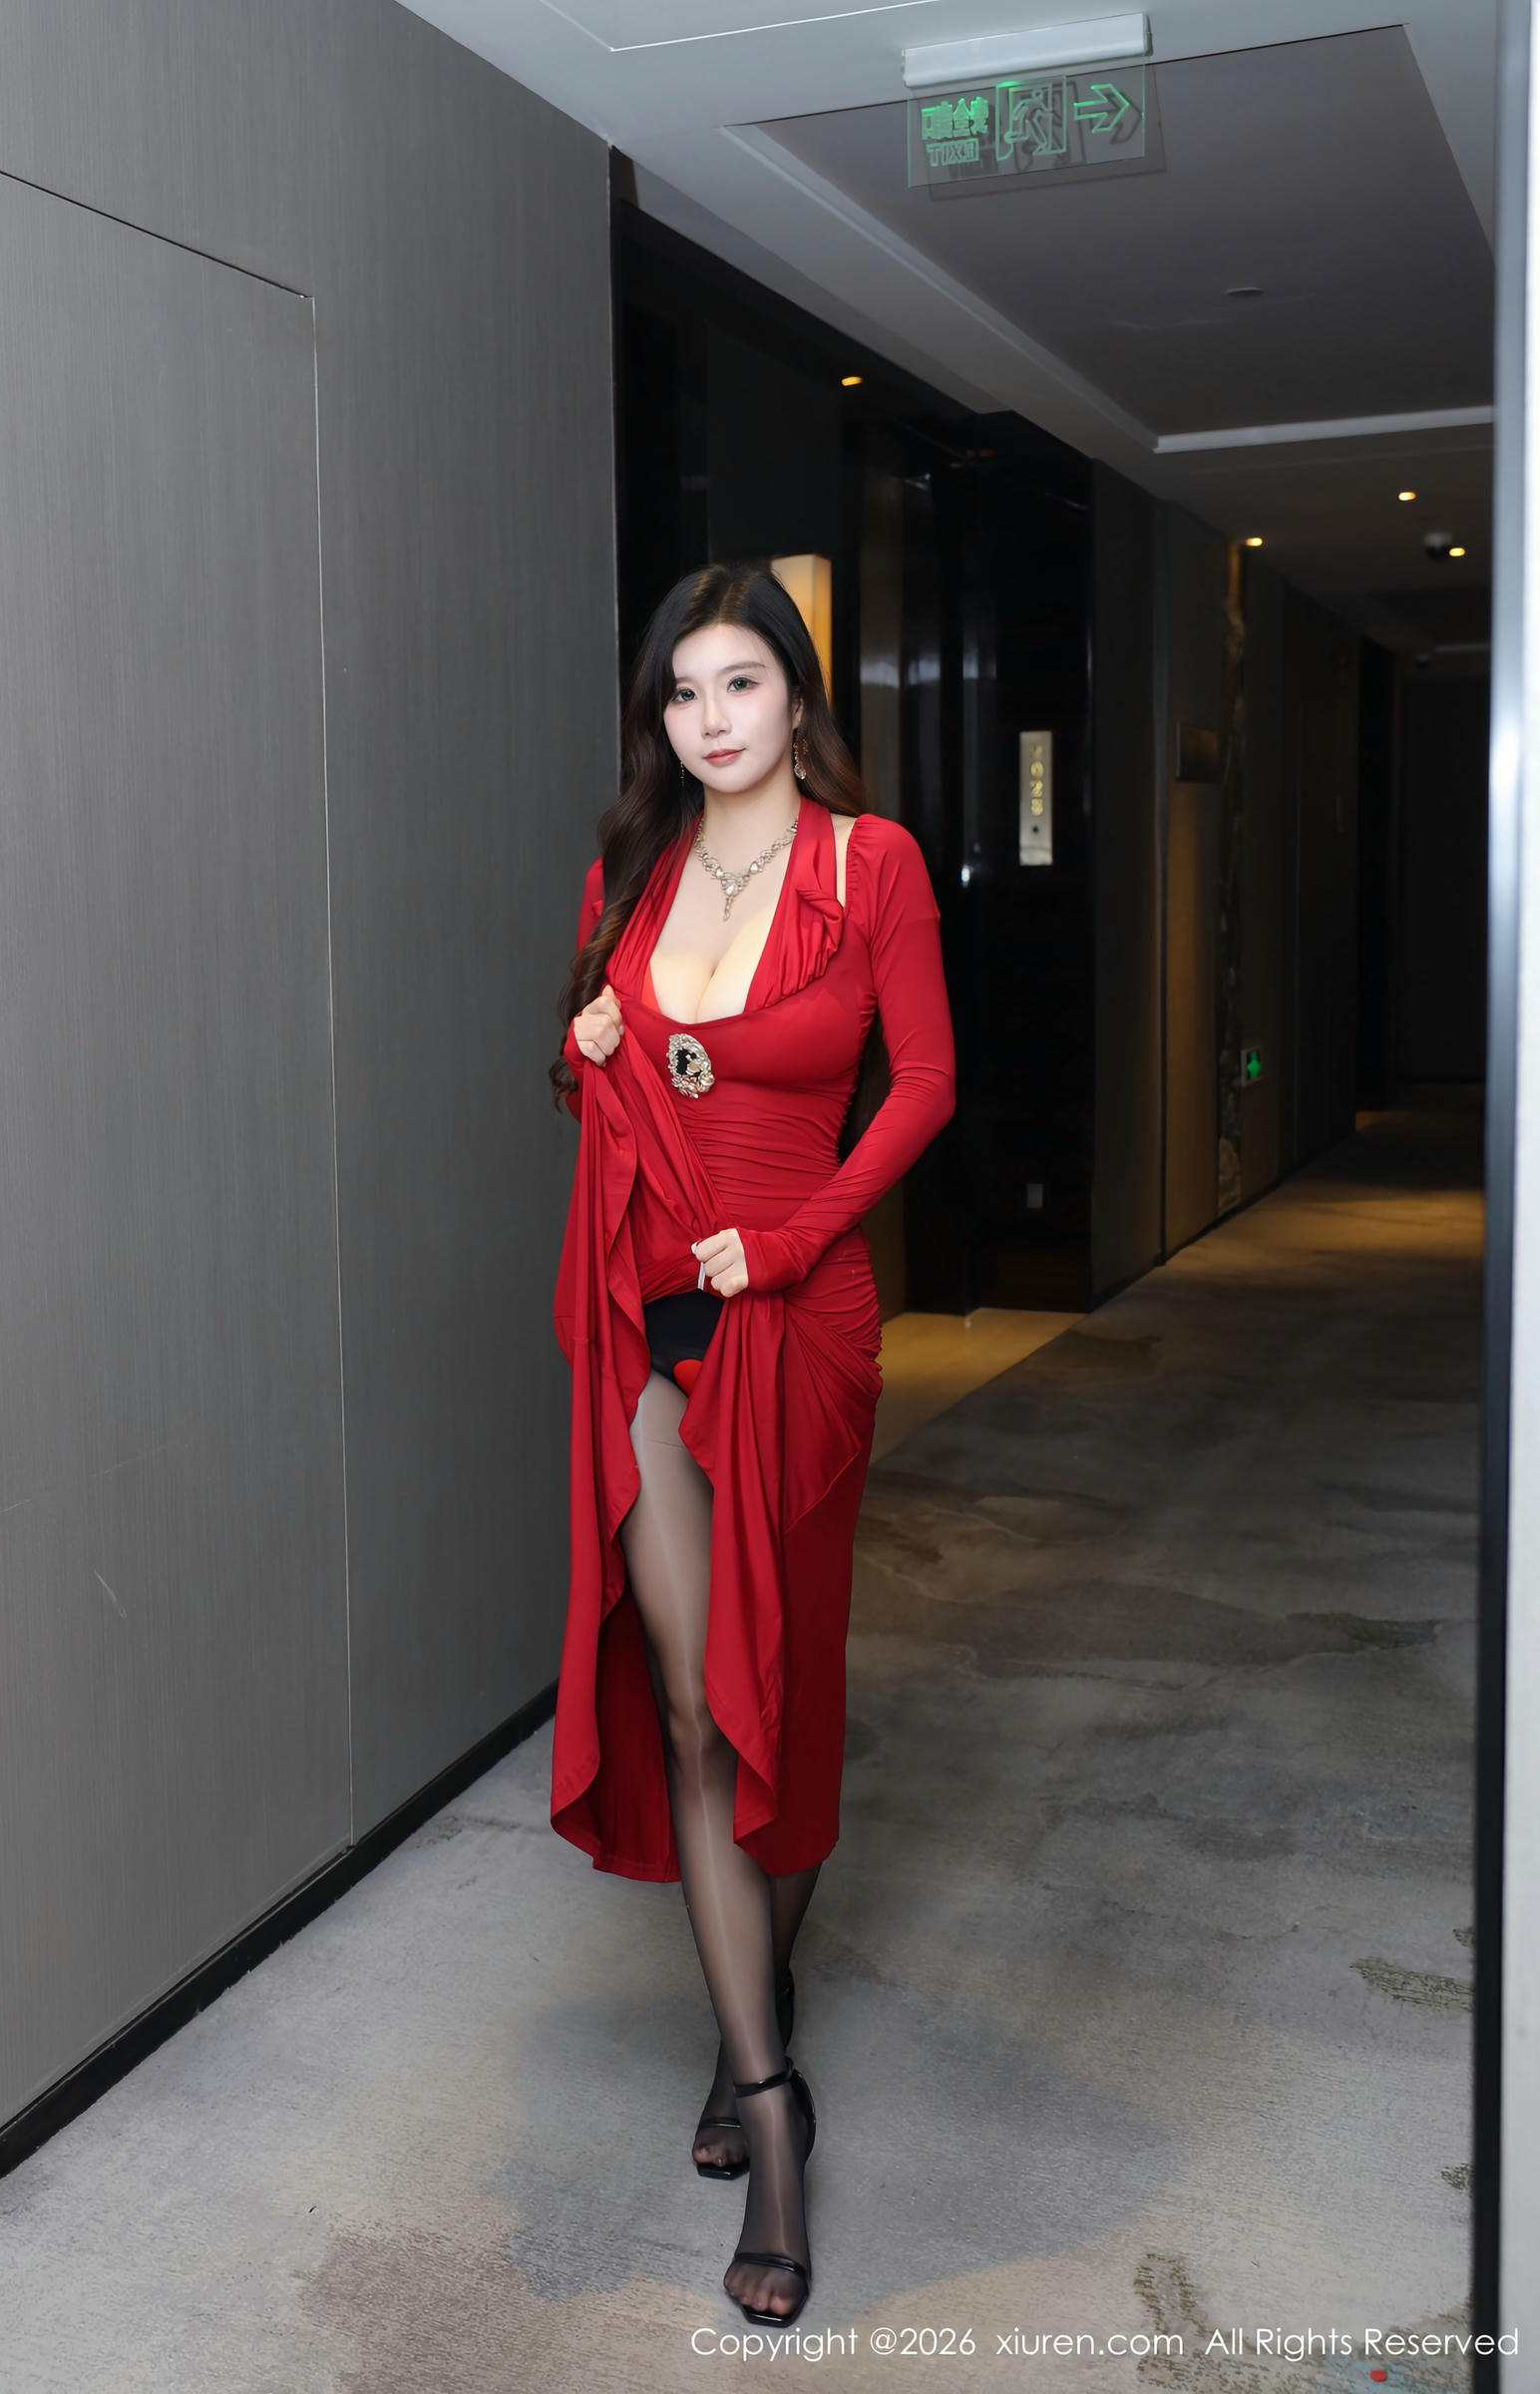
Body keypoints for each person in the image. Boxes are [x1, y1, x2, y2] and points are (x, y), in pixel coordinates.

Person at [548, 560, 956, 2325]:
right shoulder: (630, 874)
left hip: (802, 1324)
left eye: (740, 684)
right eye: (682, 692)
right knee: (698, 1701)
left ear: (797, 695)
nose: (710, 720)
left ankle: (745, 2021)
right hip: (651, 1321)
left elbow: (923, 1086)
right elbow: (613, 1090)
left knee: (776, 1689)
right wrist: (587, 1047)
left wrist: (790, 1243)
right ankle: (773, 2105)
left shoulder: (871, 868)